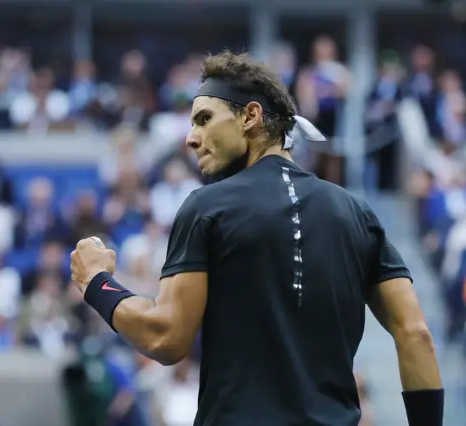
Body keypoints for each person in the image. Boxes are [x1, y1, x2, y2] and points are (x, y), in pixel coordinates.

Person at [70, 51, 443, 426]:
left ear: (250, 116)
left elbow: (165, 336)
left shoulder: (207, 207)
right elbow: (416, 335)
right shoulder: (358, 213)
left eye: (204, 119)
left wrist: (96, 282)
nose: (191, 139)